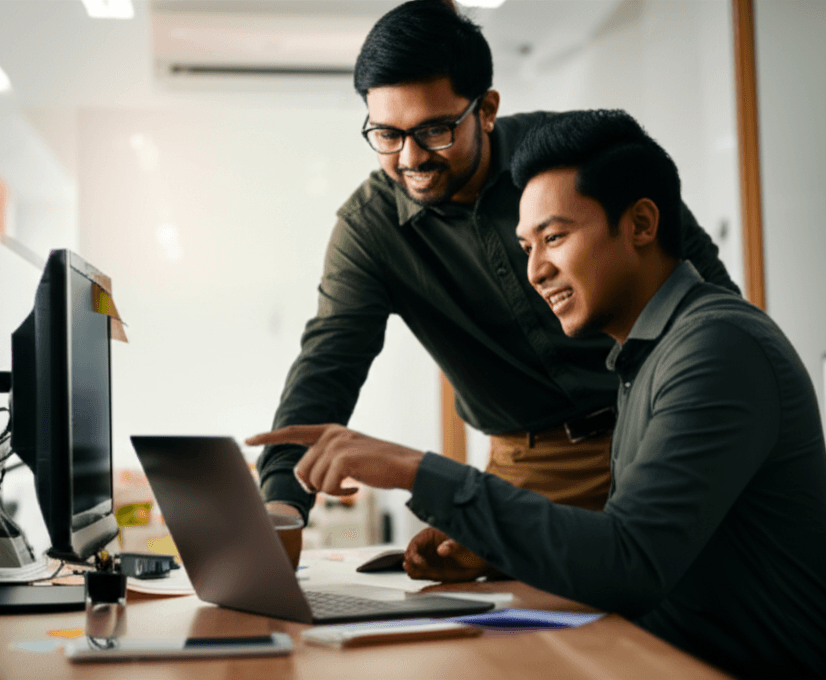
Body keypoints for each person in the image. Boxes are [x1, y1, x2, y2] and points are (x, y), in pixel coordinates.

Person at [249, 110, 826, 680]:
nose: (535, 271)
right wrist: (497, 552)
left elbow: (628, 563)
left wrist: (416, 471)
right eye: (526, 246)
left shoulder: (715, 349)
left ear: (641, 224)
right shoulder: (650, 354)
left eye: (554, 237)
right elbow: (628, 549)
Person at [258, 0, 738, 578]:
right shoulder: (370, 226)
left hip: (654, 433)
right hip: (529, 470)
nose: (410, 158)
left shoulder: (578, 160)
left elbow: (708, 304)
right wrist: (281, 504)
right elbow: (328, 361)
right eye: (386, 134)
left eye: (434, 130)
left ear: (485, 109)